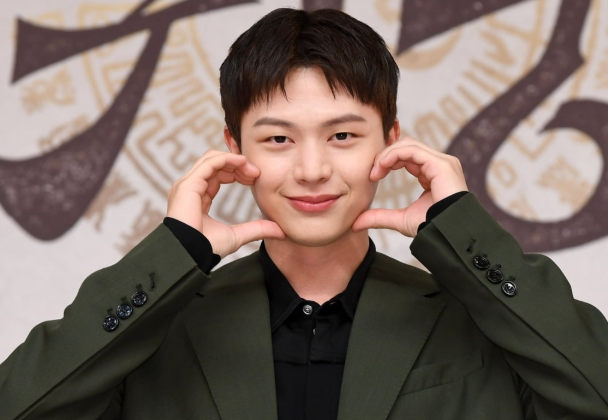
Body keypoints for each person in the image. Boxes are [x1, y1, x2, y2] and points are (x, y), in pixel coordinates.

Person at [1, 7, 607, 420]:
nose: (312, 169)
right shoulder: (159, 327)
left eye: (343, 136)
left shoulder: (477, 318)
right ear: (234, 149)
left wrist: (464, 230)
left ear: (391, 140)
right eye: (278, 139)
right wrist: (175, 249)